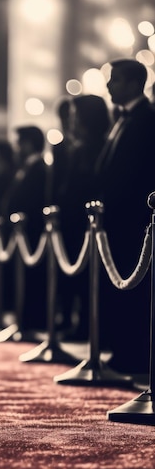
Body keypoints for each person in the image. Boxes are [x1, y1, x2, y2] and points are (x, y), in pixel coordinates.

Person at [95, 58, 155, 376]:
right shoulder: (121, 118)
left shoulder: (146, 118)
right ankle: (121, 350)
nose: (108, 85)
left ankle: (133, 353)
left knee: (134, 290)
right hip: (116, 218)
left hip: (135, 219)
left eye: (115, 80)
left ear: (134, 84)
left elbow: (137, 172)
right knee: (119, 287)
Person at [56, 94, 111, 340]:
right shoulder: (79, 148)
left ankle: (89, 327)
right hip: (72, 222)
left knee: (90, 280)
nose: (72, 121)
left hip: (88, 223)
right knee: (76, 280)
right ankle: (79, 325)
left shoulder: (99, 146)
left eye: (76, 116)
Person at [0, 125, 48, 333]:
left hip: (32, 232)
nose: (16, 149)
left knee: (33, 280)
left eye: (18, 143)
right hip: (23, 232)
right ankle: (24, 319)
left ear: (28, 144)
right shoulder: (27, 168)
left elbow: (33, 201)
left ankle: (32, 321)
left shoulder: (39, 168)